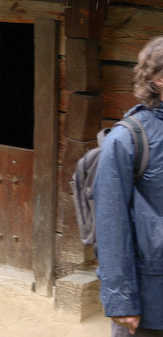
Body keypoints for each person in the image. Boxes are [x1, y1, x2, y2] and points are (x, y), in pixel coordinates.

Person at [95, 36, 163, 336]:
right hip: (150, 301)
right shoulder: (126, 140)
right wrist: (121, 302)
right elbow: (111, 224)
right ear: (159, 80)